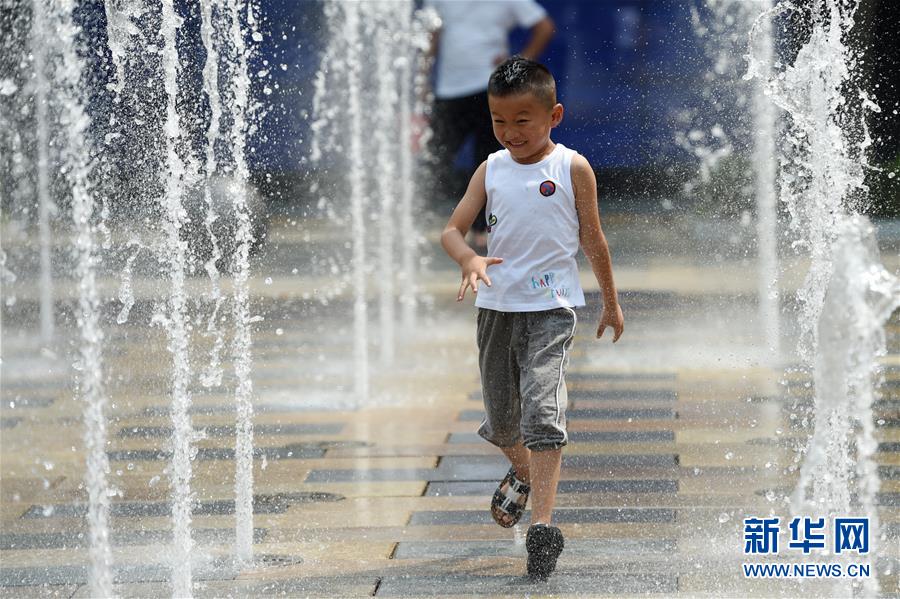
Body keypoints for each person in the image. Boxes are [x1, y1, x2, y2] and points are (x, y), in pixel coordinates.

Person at [440, 56, 624, 581]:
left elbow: (593, 238)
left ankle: (543, 526)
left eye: (523, 120)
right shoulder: (491, 169)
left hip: (550, 309)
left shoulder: (571, 168)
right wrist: (468, 258)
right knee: (502, 425)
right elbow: (452, 230)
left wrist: (610, 301)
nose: (510, 132)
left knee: (543, 414)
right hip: (496, 310)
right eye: (499, 120)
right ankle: (523, 471)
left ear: (554, 116)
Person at [424, 0, 555, 249]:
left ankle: (483, 228)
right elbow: (432, 36)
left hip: (490, 89)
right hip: (449, 89)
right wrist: (423, 81)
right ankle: (422, 218)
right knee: (435, 159)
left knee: (488, 161)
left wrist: (518, 65)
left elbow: (544, 26)